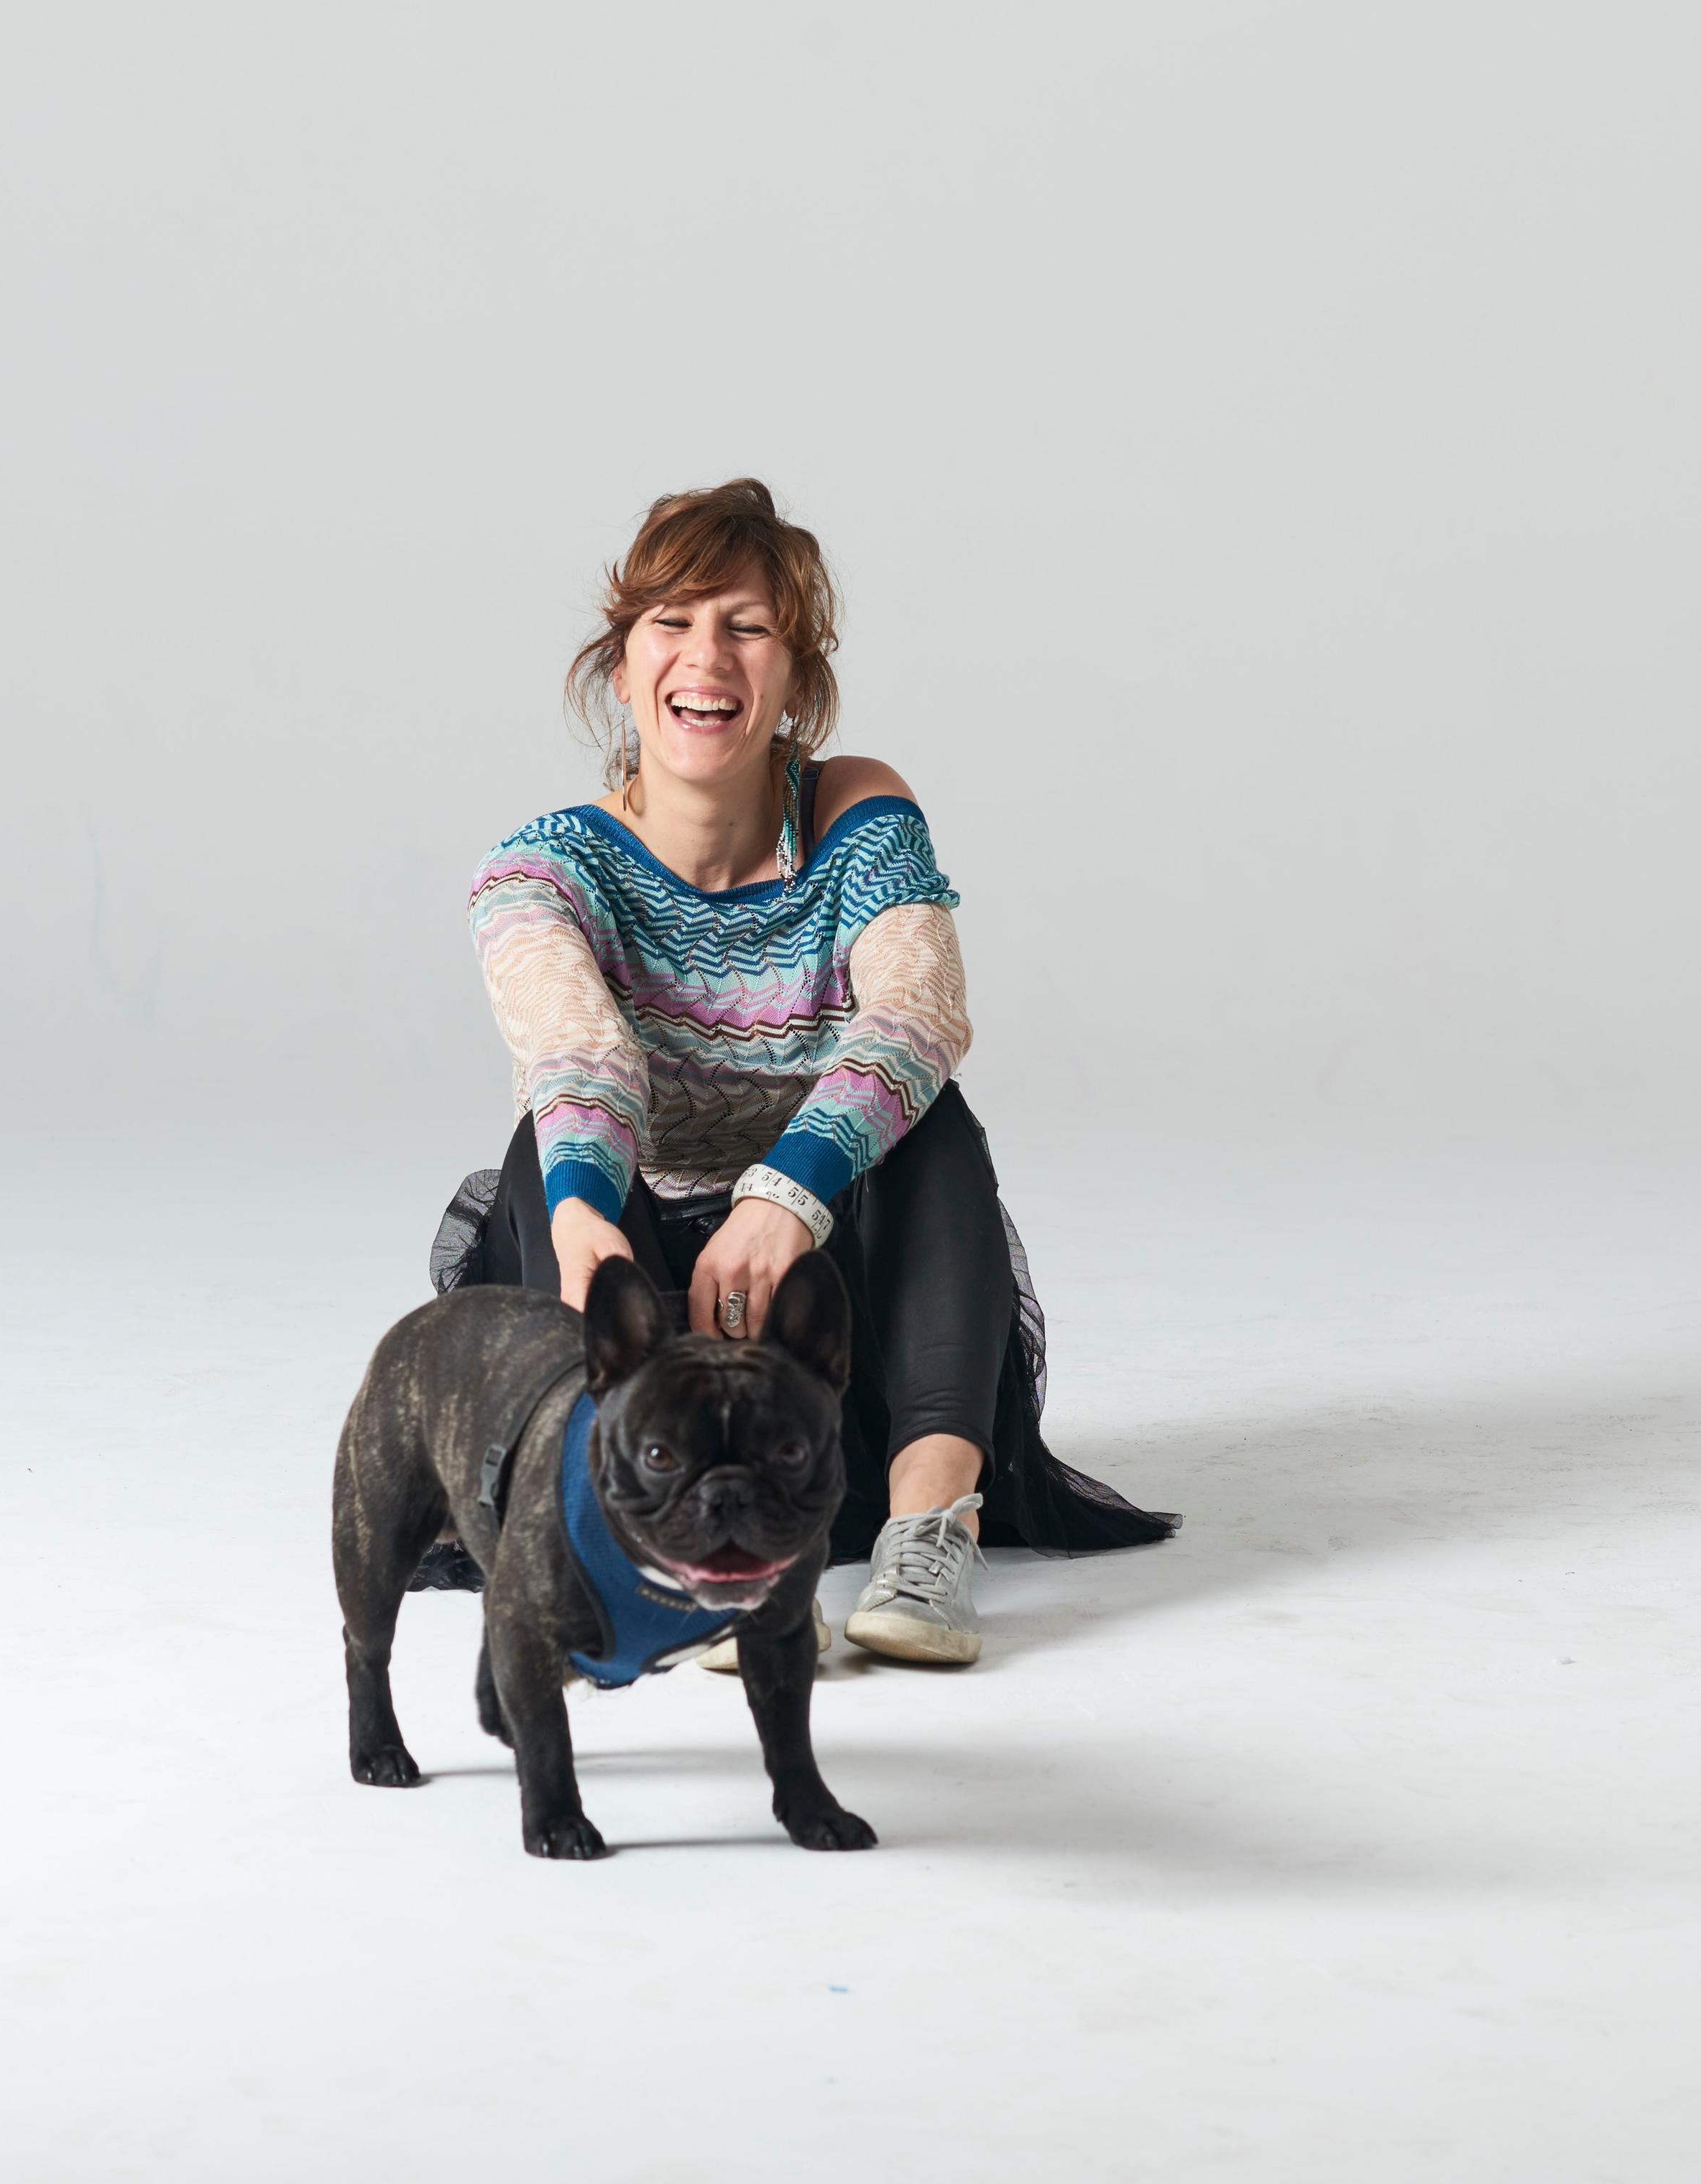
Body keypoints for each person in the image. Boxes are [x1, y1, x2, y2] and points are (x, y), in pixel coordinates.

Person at [425, 478, 1172, 1667]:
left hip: (825, 1288)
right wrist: (582, 1221)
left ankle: (931, 1537)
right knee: (549, 1151)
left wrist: (780, 1201)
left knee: (931, 1119)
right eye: (669, 622)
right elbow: (583, 1058)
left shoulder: (856, 810)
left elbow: (919, 1013)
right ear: (620, 668)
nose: (704, 656)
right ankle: (665, 1547)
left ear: (798, 683)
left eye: (747, 624)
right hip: (647, 1293)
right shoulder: (540, 870)